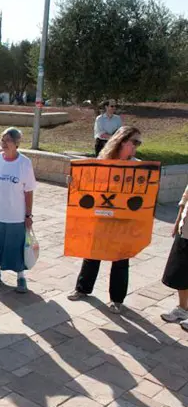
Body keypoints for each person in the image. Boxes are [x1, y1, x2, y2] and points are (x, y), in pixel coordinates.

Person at [69, 126, 144, 314]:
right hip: (102, 217)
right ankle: (83, 289)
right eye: (135, 142)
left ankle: (117, 300)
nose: (137, 146)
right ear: (121, 141)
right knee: (93, 252)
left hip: (123, 220)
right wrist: (74, 182)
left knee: (120, 258)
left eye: (139, 143)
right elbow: (88, 188)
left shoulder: (138, 167)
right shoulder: (102, 162)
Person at [0, 127, 36, 294]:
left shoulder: (24, 163)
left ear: (17, 143)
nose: (4, 144)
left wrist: (28, 214)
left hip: (16, 215)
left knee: (16, 246)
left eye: (8, 140)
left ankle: (21, 277)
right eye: (2, 140)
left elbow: (29, 190)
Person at [160, 182, 188, 327]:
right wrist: (177, 222)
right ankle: (183, 309)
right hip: (185, 231)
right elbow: (185, 198)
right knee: (179, 272)